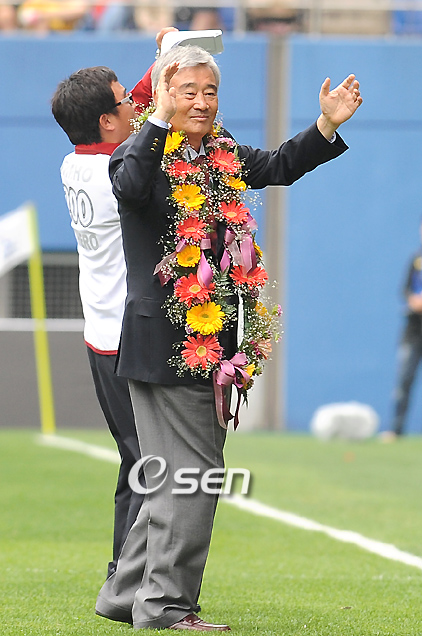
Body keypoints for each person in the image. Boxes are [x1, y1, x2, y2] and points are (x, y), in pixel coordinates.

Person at [95, 45, 362, 631]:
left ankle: (125, 593)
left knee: (174, 477)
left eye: (210, 91)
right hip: (168, 344)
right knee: (195, 480)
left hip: (209, 344)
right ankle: (165, 605)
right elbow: (130, 187)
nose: (201, 102)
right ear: (164, 94)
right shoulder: (139, 153)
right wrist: (158, 120)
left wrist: (325, 125)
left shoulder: (220, 153)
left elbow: (277, 165)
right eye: (187, 90)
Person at [50, 27, 176, 578]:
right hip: (128, 334)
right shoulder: (117, 175)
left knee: (135, 458)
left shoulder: (74, 163)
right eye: (123, 101)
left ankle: (123, 572)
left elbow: (139, 111)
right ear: (107, 121)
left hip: (101, 332)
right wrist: (169, 77)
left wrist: (163, 58)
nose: (134, 104)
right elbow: (150, 130)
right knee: (150, 462)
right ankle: (132, 578)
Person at [384, 221, 422, 440]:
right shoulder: (416, 260)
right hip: (413, 330)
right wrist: (413, 300)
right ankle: (396, 429)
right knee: (404, 381)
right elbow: (405, 289)